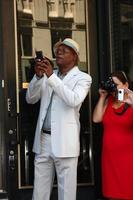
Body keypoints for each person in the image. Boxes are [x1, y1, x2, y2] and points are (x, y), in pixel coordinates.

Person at [26, 38, 92, 200]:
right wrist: (38, 77)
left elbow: (74, 100)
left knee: (66, 193)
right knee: (39, 191)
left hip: (65, 141)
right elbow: (30, 99)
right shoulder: (48, 75)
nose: (59, 53)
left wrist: (51, 77)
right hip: (43, 140)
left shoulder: (83, 78)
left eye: (64, 51)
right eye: (57, 51)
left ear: (74, 56)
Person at [93, 71, 133, 200]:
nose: (114, 88)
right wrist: (103, 97)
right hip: (110, 158)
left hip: (128, 158)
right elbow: (96, 119)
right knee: (112, 194)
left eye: (116, 84)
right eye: (112, 84)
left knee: (127, 193)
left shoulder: (132, 101)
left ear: (125, 85)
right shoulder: (109, 100)